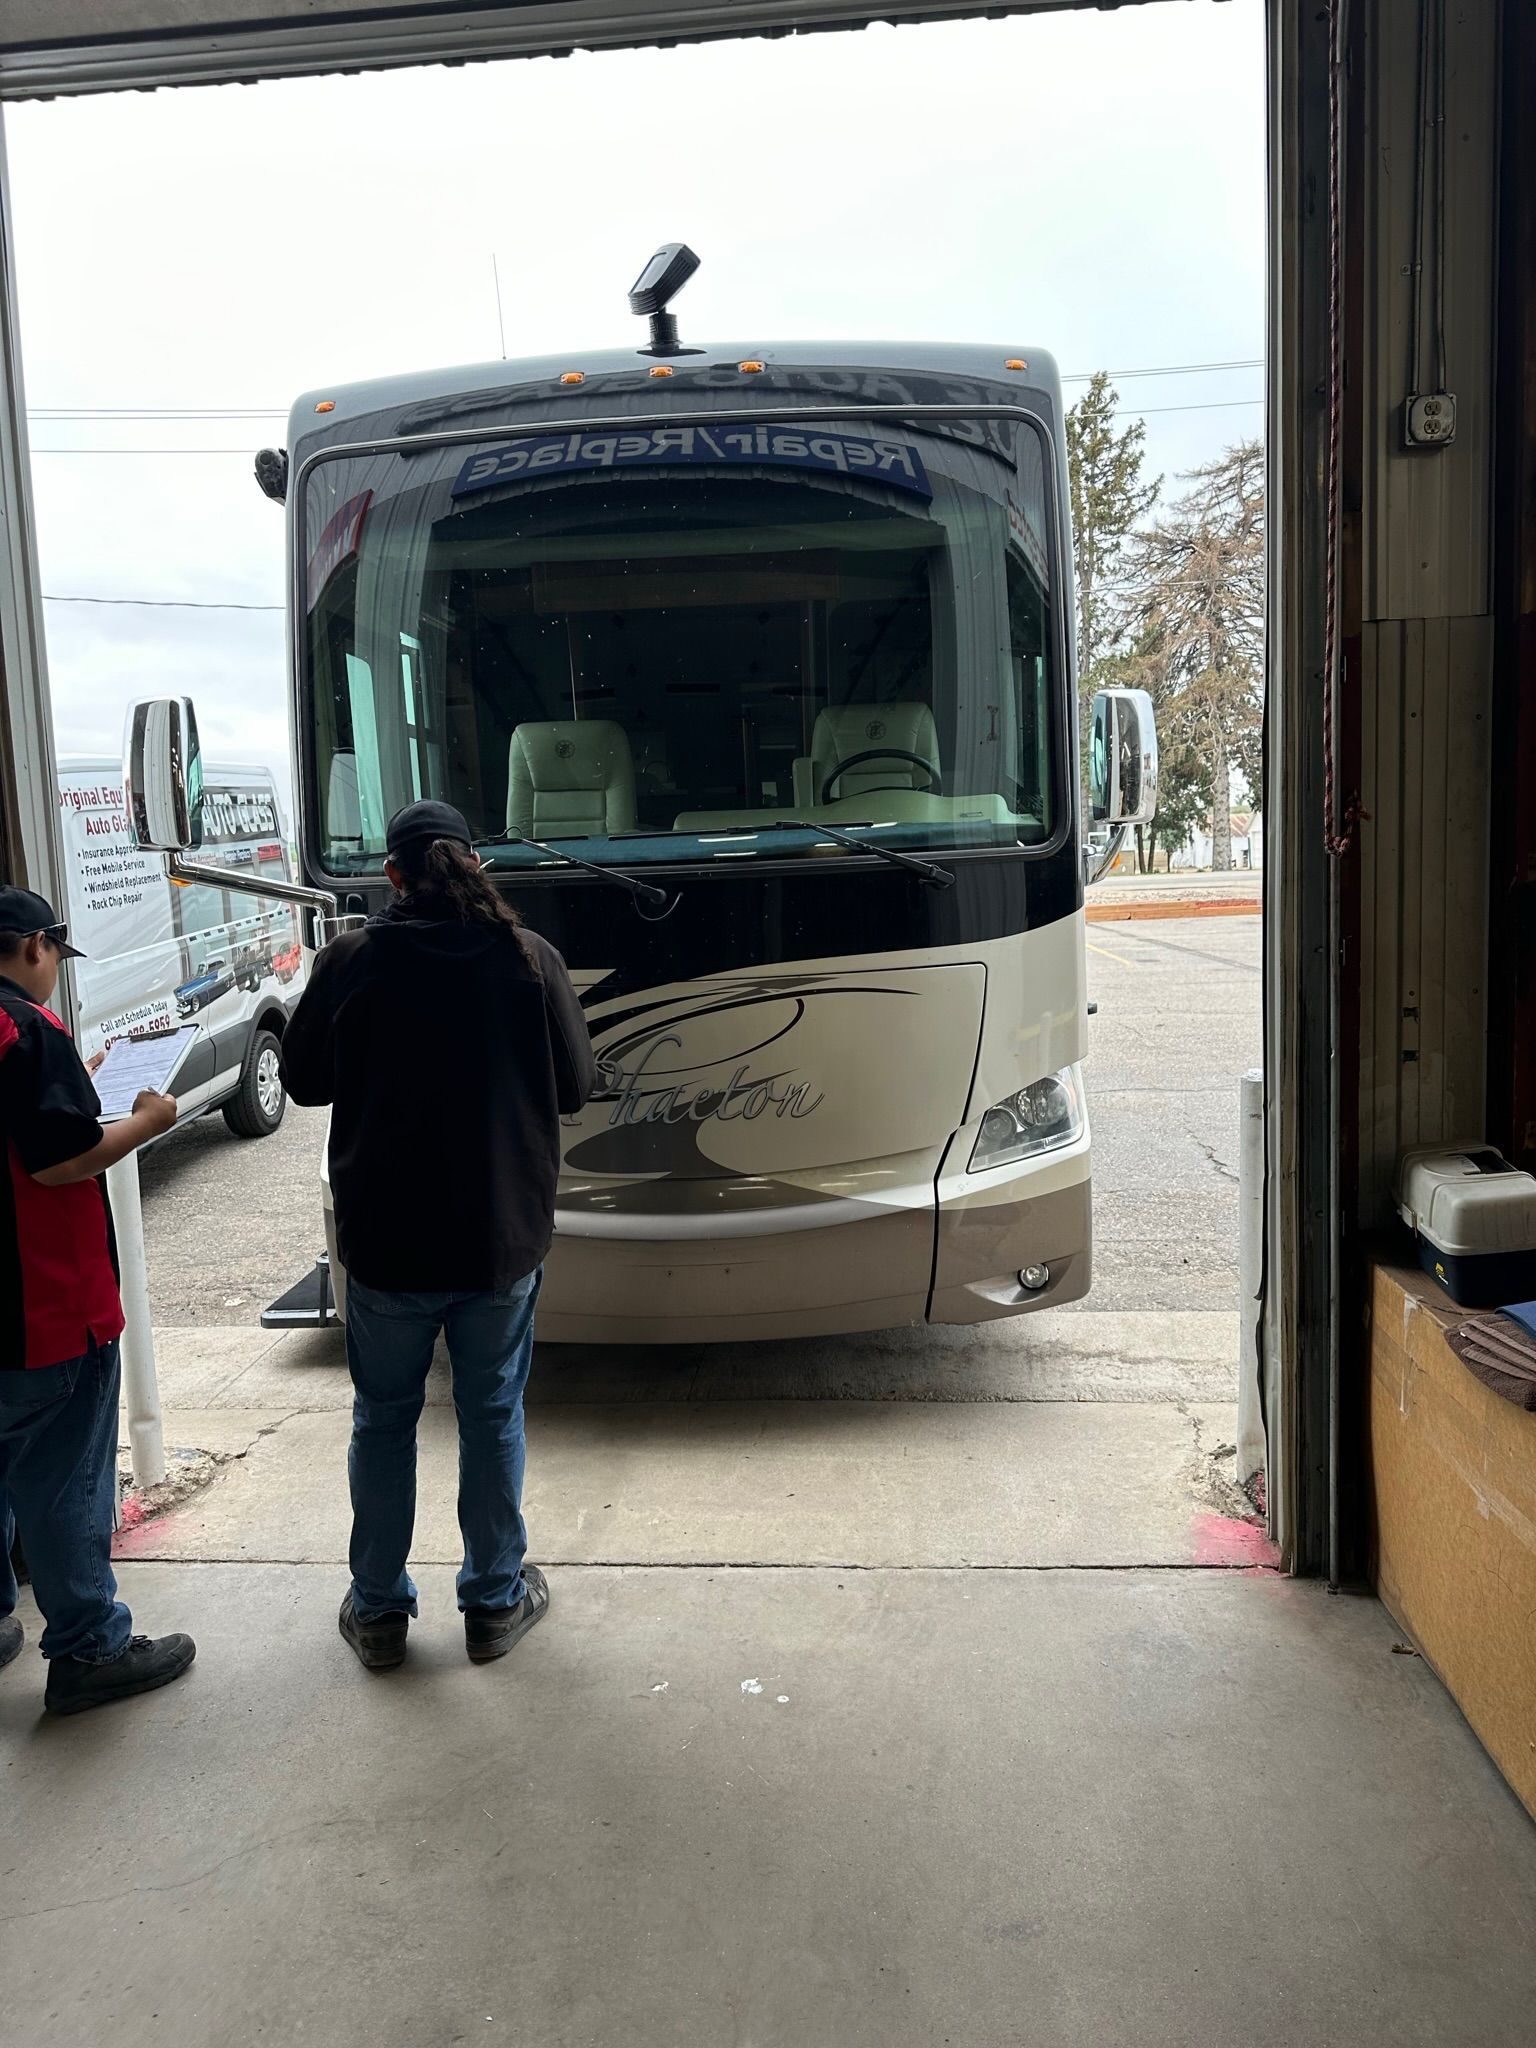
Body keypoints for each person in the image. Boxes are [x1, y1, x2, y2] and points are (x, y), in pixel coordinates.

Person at [282, 801, 597, 1671]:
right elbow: (575, 1086)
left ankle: (379, 1612)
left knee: (383, 1419)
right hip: (499, 1241)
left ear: (393, 875)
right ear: (476, 865)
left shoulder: (352, 960)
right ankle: (494, 1601)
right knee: (491, 1412)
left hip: (387, 1246)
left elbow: (304, 1083)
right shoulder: (529, 959)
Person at [0, 886, 196, 1714]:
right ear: (35, 945)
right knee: (66, 1480)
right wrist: (149, 1121)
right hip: (47, 1304)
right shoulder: (27, 1031)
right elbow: (58, 1163)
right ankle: (87, 1648)